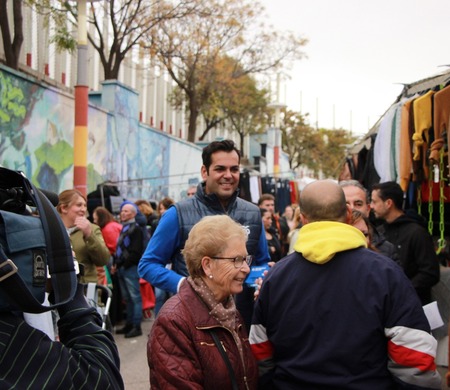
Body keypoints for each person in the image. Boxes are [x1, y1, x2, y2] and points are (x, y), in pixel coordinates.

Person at [250, 180, 441, 389]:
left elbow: (260, 354)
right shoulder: (386, 274)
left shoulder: (276, 277)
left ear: (303, 219)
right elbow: (414, 357)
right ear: (349, 213)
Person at [139, 139, 270, 331]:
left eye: (234, 169)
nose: (228, 175)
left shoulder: (252, 213)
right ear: (204, 172)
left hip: (241, 322)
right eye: (220, 169)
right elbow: (147, 265)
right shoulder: (178, 213)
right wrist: (184, 284)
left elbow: (260, 263)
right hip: (194, 323)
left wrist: (265, 274)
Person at [148, 215, 258, 389]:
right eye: (236, 260)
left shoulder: (228, 310)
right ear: (207, 265)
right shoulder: (173, 321)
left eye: (245, 259)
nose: (246, 268)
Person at [371, 181, 440, 305]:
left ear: (388, 203)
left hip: (414, 306)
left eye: (374, 201)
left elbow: (430, 272)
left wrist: (404, 289)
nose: (371, 206)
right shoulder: (379, 232)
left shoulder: (416, 233)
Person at [57, 189, 110, 284]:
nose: (83, 209)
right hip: (57, 287)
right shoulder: (52, 229)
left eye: (85, 205)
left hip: (83, 289)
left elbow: (103, 260)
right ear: (64, 208)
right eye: (79, 205)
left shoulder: (92, 229)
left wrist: (89, 235)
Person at [339, 179, 398, 260]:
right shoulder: (326, 248)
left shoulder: (387, 250)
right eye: (346, 204)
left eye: (358, 204)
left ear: (368, 209)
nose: (352, 208)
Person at [114, 202, 145, 338]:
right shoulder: (124, 228)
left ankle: (136, 326)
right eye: (122, 211)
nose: (123, 213)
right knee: (128, 298)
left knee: (135, 298)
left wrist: (124, 264)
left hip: (130, 268)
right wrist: (117, 264)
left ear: (133, 213)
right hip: (122, 267)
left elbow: (136, 251)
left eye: (126, 211)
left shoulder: (136, 229)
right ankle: (129, 324)